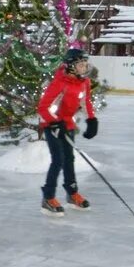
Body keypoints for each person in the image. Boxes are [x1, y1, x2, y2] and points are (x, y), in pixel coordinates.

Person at [37, 47, 98, 215]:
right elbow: (42, 107)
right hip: (52, 125)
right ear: (71, 66)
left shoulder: (84, 82)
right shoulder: (60, 82)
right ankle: (48, 198)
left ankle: (72, 193)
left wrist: (92, 119)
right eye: (80, 64)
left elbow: (86, 101)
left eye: (85, 63)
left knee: (69, 159)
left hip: (68, 125)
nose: (84, 67)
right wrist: (55, 123)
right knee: (58, 160)